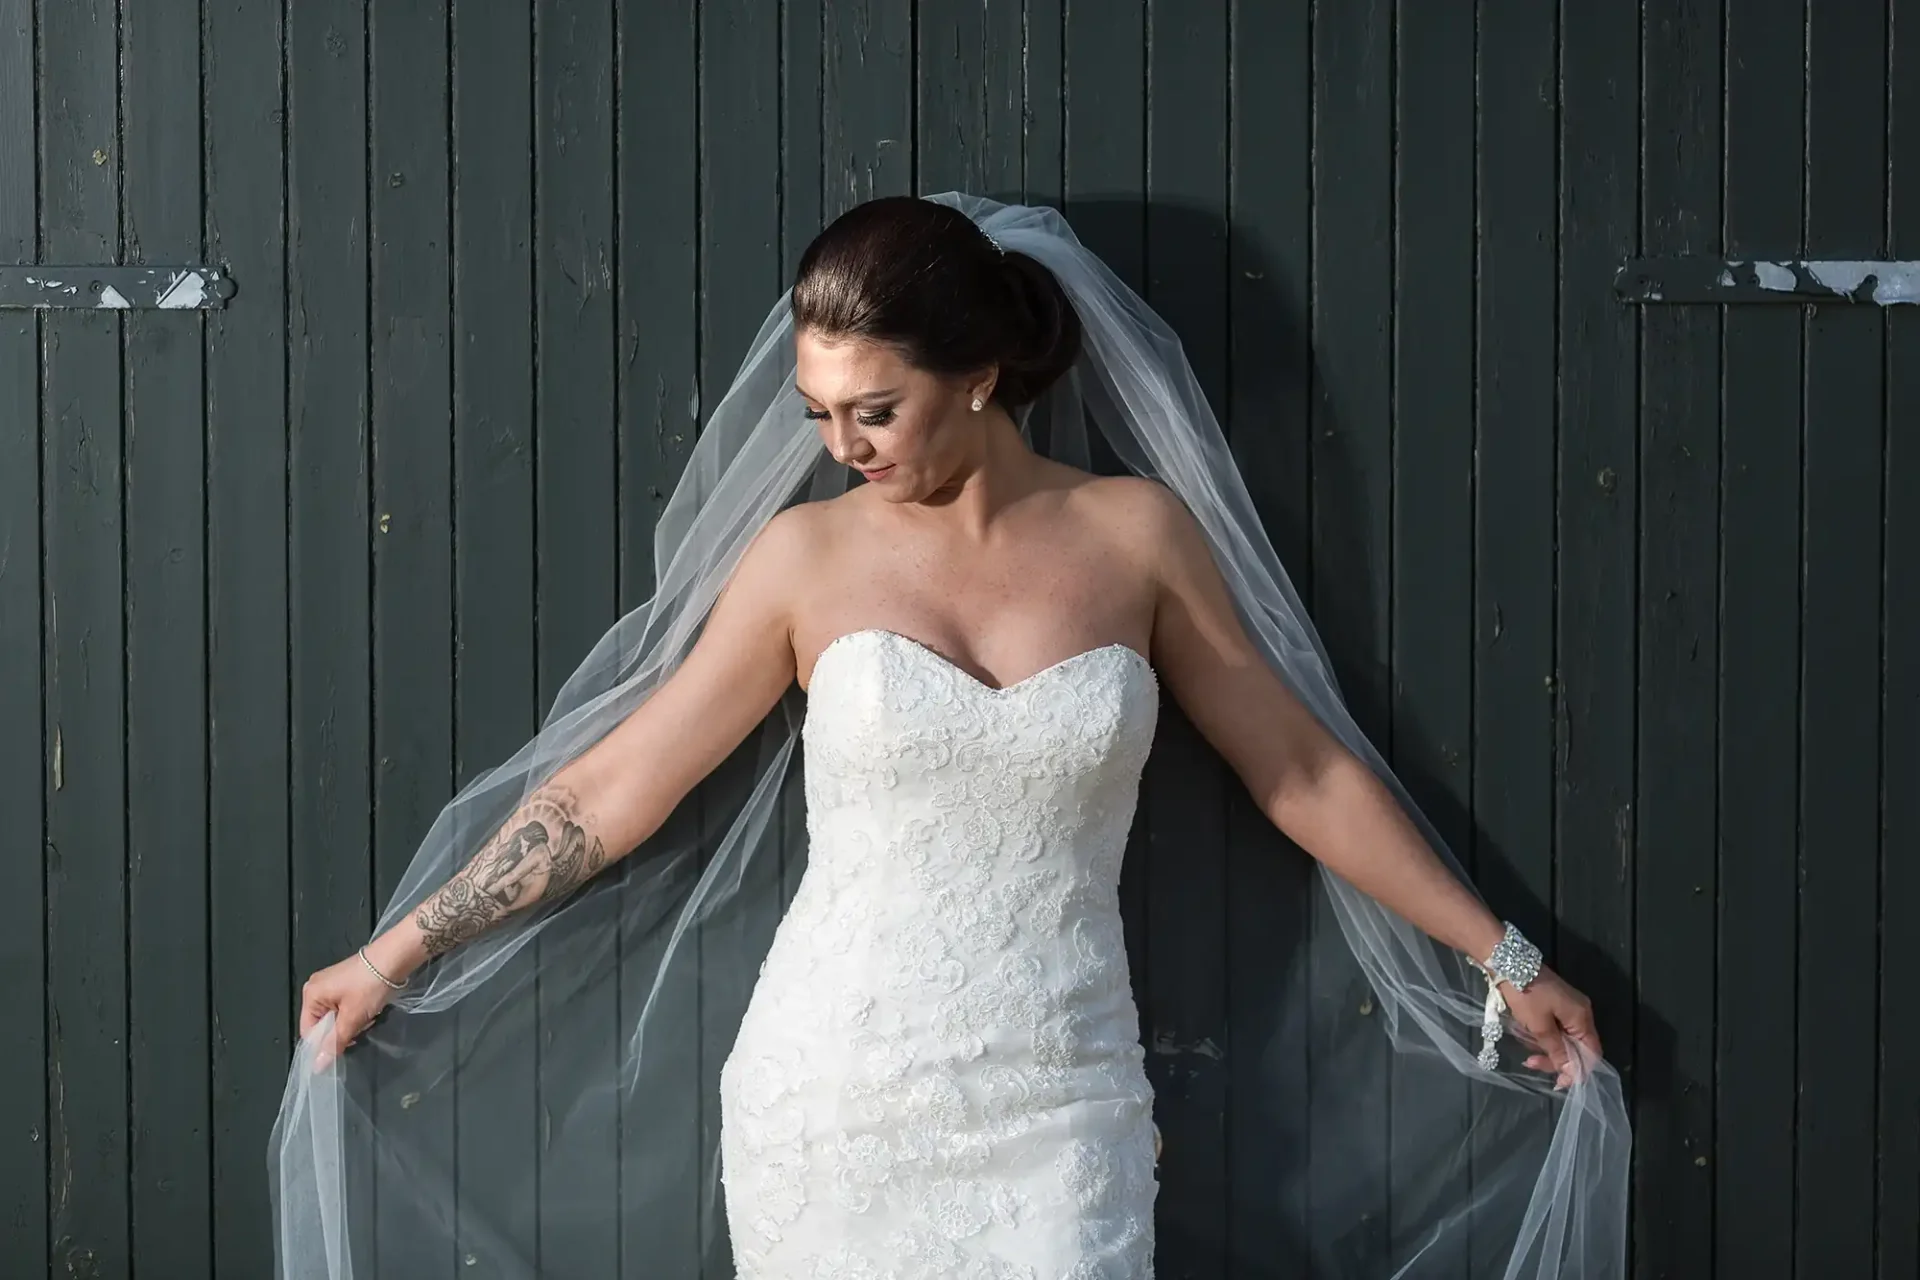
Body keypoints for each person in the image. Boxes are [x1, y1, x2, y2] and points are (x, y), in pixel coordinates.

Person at [275, 194, 1629, 1279]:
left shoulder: (1135, 536)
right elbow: (619, 783)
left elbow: (1303, 768)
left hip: (1061, 1095)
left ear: (980, 375)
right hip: (834, 1087)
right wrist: (396, 951)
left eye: (876, 408)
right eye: (818, 412)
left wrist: (1501, 955)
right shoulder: (802, 558)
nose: (842, 443)